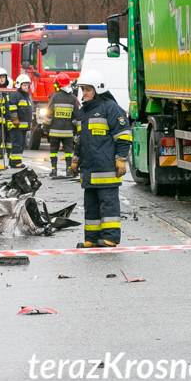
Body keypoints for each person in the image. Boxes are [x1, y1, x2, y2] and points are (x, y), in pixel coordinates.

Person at [71, 69, 132, 248]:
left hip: (106, 168)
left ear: (98, 89)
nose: (84, 93)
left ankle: (110, 238)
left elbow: (123, 135)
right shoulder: (83, 112)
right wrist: (75, 159)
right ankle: (91, 238)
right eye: (82, 90)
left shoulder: (110, 108)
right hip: (89, 170)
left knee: (108, 205)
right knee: (90, 206)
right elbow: (79, 140)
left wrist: (121, 158)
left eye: (87, 89)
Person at [48, 72, 79, 177]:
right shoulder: (73, 98)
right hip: (68, 133)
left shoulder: (54, 97)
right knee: (69, 152)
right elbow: (77, 116)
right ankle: (69, 170)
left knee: (53, 151)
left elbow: (49, 114)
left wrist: (46, 127)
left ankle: (53, 170)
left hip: (54, 132)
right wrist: (76, 131)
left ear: (58, 84)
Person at [7, 73, 32, 169]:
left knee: (21, 144)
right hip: (16, 126)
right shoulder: (16, 95)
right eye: (24, 85)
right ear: (19, 85)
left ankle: (13, 161)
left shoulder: (26, 96)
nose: (26, 87)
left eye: (27, 85)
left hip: (23, 126)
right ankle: (16, 162)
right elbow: (12, 107)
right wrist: (14, 119)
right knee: (17, 144)